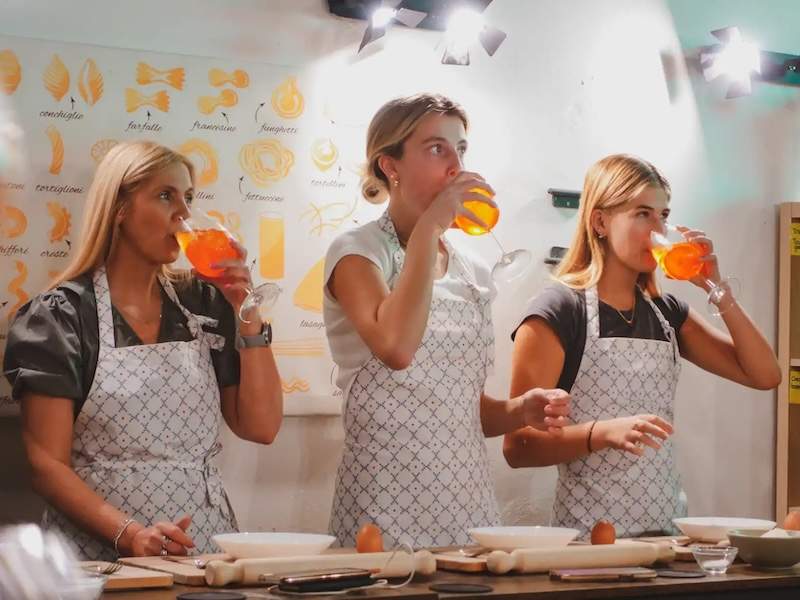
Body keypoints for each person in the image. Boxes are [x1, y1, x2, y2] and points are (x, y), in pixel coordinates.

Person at [3, 141, 283, 559]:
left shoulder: (203, 304)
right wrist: (131, 535)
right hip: (101, 554)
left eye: (189, 197)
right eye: (165, 196)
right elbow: (46, 466)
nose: (184, 214)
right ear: (119, 210)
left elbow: (261, 427)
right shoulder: (60, 317)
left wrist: (247, 310)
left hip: (202, 547)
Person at [324, 94, 570, 548]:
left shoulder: (472, 268)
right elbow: (397, 349)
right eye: (437, 149)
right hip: (384, 505)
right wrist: (429, 230)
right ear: (389, 166)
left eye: (461, 149)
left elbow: (456, 409)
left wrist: (520, 410)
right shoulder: (357, 252)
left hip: (468, 505)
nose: (456, 165)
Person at [504, 154, 781, 537]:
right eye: (642, 214)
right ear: (600, 221)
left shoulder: (668, 314)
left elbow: (765, 374)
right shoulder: (558, 309)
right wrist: (599, 432)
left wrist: (716, 289)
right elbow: (518, 448)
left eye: (663, 216)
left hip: (666, 537)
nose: (658, 230)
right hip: (590, 542)